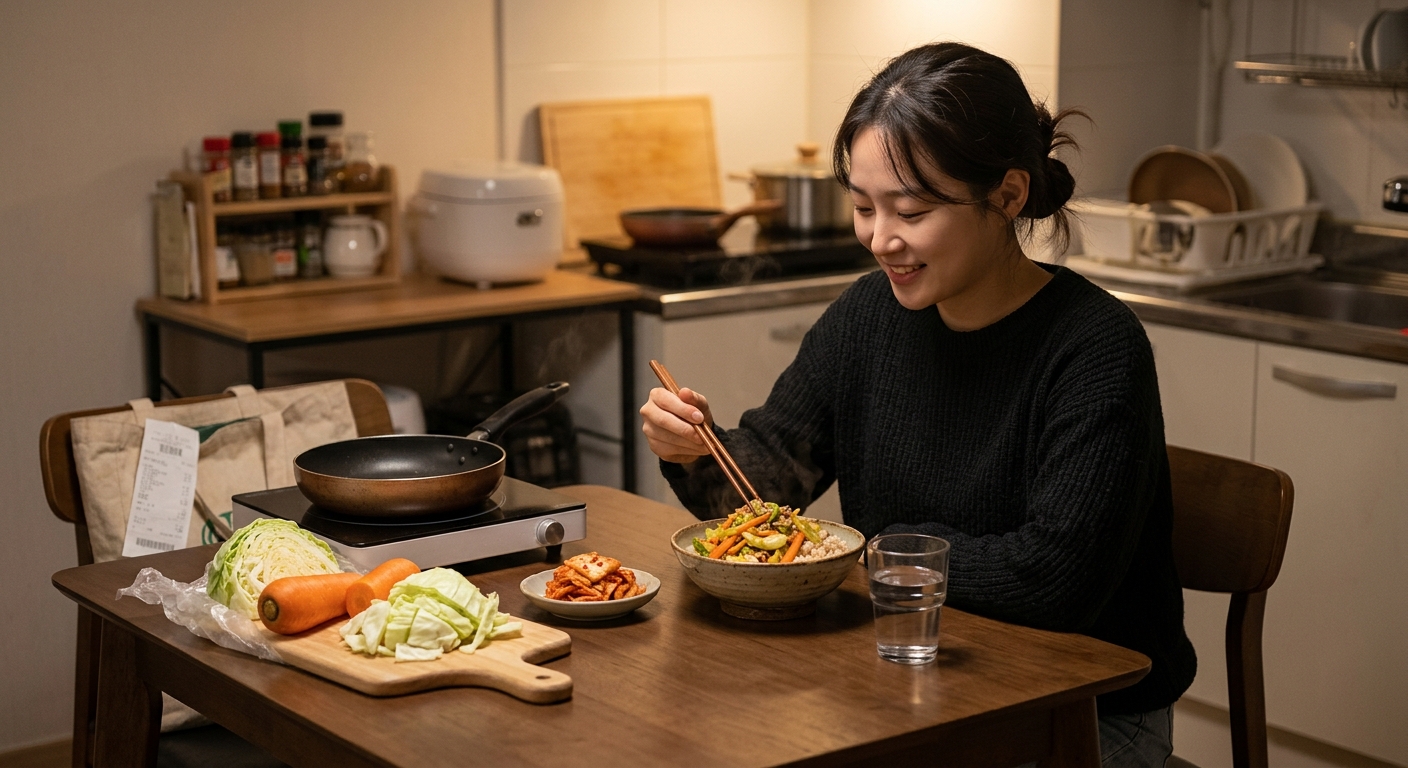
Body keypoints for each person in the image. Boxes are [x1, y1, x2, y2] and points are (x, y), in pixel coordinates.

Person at [639, 42, 1196, 767]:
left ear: (1008, 195)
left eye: (911, 210)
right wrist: (695, 446)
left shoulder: (1093, 347)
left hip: (1084, 717)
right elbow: (770, 479)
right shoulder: (869, 315)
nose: (880, 239)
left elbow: (1056, 581)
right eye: (862, 207)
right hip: (908, 686)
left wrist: (883, 552)